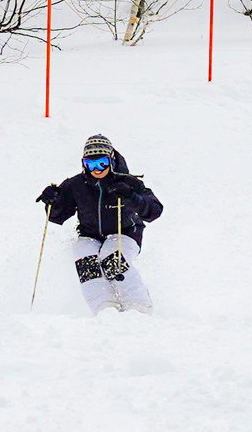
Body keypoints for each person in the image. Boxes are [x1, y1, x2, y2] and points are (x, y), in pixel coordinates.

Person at [35, 134, 164, 314]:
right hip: (90, 234)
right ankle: (104, 308)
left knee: (111, 258)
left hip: (125, 232)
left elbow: (154, 211)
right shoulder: (76, 184)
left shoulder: (128, 182)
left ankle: (139, 306)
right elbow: (57, 216)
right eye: (91, 164)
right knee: (86, 261)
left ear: (111, 160)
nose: (97, 169)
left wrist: (131, 196)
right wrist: (53, 202)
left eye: (102, 163)